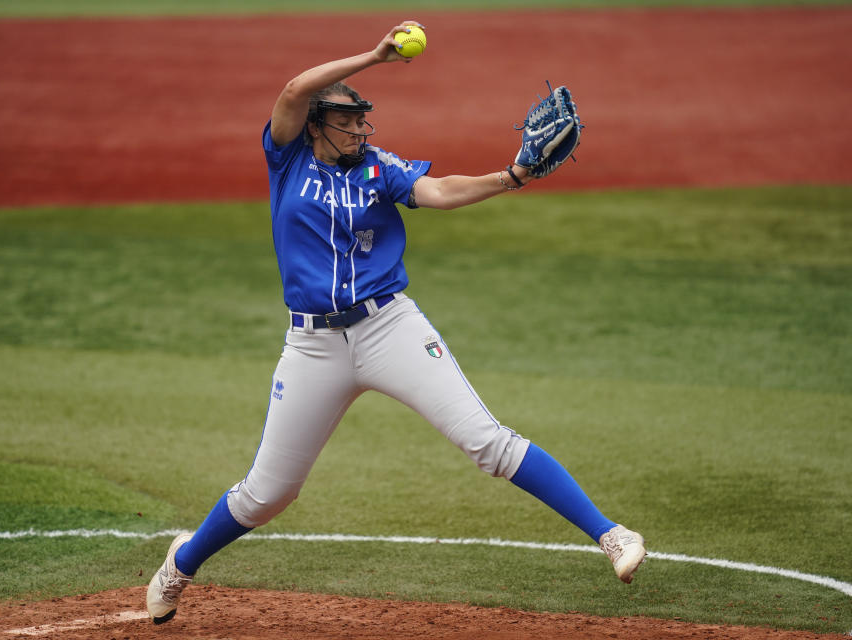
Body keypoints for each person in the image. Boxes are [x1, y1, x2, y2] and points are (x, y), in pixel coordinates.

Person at [146, 21, 645, 625]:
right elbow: (293, 88)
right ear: (317, 124)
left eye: (364, 120)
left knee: (486, 441)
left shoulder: (379, 168)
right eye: (349, 119)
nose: (361, 128)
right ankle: (180, 565)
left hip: (390, 329)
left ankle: (609, 534)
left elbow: (437, 191)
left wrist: (510, 177)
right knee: (267, 494)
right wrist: (377, 56)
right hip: (313, 345)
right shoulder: (286, 159)